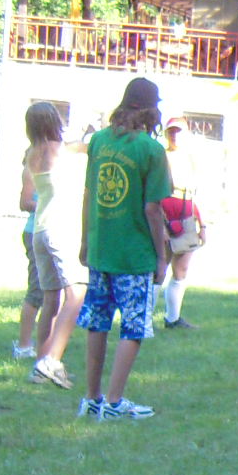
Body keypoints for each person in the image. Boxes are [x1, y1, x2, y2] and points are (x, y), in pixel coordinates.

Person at [77, 78, 172, 420]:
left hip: (101, 248)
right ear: (151, 109)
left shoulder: (99, 141)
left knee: (98, 322)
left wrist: (85, 241)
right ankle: (115, 403)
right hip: (134, 255)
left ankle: (92, 398)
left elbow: (89, 194)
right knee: (133, 327)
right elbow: (153, 208)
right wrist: (161, 256)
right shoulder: (151, 150)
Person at [18, 102, 83, 389]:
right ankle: (51, 362)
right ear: (54, 121)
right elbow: (82, 149)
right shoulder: (59, 151)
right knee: (76, 293)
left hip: (40, 230)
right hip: (59, 229)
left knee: (50, 300)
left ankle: (40, 364)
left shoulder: (31, 154)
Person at [158, 117, 207, 331]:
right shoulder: (161, 157)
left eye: (178, 131)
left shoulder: (191, 159)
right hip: (165, 214)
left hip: (186, 215)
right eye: (171, 131)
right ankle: (143, 321)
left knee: (181, 269)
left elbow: (197, 195)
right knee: (159, 268)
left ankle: (173, 318)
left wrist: (202, 225)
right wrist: (160, 225)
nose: (175, 135)